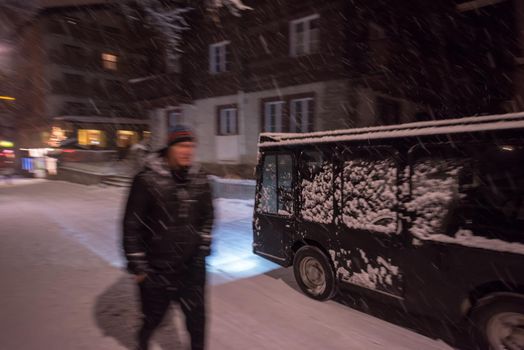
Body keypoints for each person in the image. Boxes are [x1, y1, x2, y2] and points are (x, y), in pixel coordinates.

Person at [123, 125, 214, 350]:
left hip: (191, 268)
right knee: (152, 319)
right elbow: (131, 225)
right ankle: (142, 344)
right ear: (169, 148)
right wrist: (139, 267)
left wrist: (203, 246)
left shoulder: (200, 178)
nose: (187, 151)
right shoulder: (147, 180)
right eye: (182, 146)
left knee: (197, 323)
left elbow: (208, 215)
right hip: (156, 269)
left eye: (191, 146)